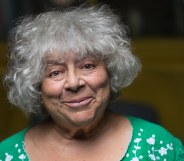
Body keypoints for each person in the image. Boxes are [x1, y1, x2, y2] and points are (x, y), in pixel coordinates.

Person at [0, 5, 183, 161]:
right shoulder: (7, 155)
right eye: (55, 72)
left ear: (110, 72)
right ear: (36, 86)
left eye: (87, 66)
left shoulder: (158, 146)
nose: (73, 83)